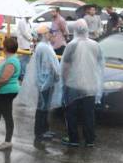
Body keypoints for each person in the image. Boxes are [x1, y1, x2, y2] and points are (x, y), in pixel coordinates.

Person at [60, 19, 105, 147]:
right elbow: (99, 65)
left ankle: (73, 138)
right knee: (89, 114)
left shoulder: (71, 45)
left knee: (71, 113)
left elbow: (66, 66)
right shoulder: (95, 45)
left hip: (73, 85)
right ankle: (89, 139)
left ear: (75, 30)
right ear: (87, 30)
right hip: (90, 85)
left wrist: (64, 81)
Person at [21, 25, 62, 149]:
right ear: (45, 34)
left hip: (45, 81)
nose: (52, 34)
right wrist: (56, 76)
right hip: (46, 82)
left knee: (44, 107)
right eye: (50, 32)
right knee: (42, 108)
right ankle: (40, 132)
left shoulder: (45, 46)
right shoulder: (44, 47)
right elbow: (52, 66)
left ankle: (44, 130)